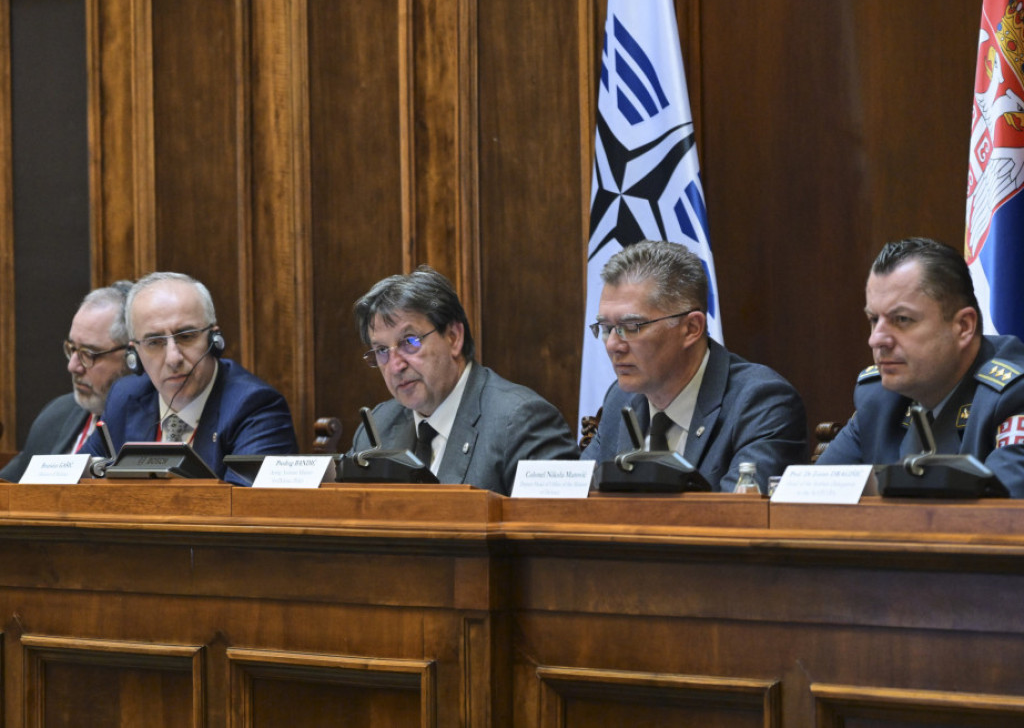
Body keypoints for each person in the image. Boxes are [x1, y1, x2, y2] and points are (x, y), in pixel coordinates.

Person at [581, 241, 807, 492]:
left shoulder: (760, 404)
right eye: (606, 328)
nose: (613, 344)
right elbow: (576, 500)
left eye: (632, 327)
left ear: (691, 328)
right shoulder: (620, 399)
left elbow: (739, 513)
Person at [817, 237, 1024, 496]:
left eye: (902, 319)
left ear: (963, 327)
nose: (876, 339)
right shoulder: (879, 398)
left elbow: (1004, 511)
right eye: (874, 319)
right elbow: (811, 496)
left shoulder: (1014, 395)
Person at [348, 266, 579, 495]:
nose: (395, 366)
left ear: (453, 338)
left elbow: (551, 517)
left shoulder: (520, 422)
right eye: (382, 350)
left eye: (410, 341)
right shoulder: (378, 427)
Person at [80, 272, 298, 484]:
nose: (173, 358)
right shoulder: (125, 397)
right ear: (134, 354)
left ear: (214, 340)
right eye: (154, 342)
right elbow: (75, 481)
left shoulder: (254, 407)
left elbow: (241, 505)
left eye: (186, 337)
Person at [0, 282, 133, 483]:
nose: (73, 366)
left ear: (132, 356)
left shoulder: (150, 427)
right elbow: (11, 488)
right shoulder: (57, 414)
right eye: (72, 349)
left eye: (89, 354)